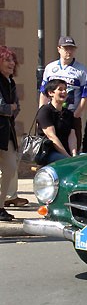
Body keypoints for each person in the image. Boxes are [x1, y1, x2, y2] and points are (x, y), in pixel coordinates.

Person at [39, 36, 87, 152]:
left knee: (73, 149)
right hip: (51, 115)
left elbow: (86, 95)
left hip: (71, 114)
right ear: (59, 49)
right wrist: (42, 111)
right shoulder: (50, 68)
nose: (69, 51)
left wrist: (76, 115)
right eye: (66, 48)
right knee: (48, 149)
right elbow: (44, 92)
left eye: (72, 49)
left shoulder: (82, 70)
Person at [36, 79, 77, 164]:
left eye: (65, 89)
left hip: (65, 152)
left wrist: (74, 154)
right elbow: (52, 136)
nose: (64, 92)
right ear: (51, 93)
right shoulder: (45, 111)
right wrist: (67, 157)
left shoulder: (68, 113)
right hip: (48, 152)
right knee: (67, 162)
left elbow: (72, 136)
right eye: (60, 89)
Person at [0, 46, 20, 221]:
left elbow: (16, 108)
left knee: (10, 168)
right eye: (7, 60)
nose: (11, 63)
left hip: (7, 132)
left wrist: (9, 108)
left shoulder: (11, 82)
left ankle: (0, 206)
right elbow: (3, 107)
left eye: (13, 60)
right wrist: (9, 108)